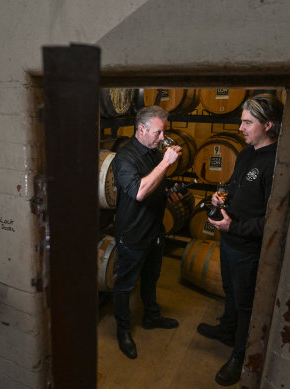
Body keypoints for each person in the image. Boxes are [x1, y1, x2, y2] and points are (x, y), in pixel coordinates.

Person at [198, 94, 284, 385]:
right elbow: (237, 188)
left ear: (268, 124)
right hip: (229, 241)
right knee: (230, 292)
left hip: (248, 248)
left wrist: (234, 227)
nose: (240, 128)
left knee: (246, 302)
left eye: (248, 122)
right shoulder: (248, 152)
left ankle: (239, 356)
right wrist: (222, 198)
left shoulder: (276, 163)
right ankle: (227, 329)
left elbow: (273, 220)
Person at [111, 105, 183, 359]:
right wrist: (166, 163)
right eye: (158, 133)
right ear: (141, 129)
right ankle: (123, 331)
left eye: (164, 133)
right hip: (133, 233)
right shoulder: (125, 158)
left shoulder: (153, 152)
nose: (162, 138)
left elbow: (155, 185)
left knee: (151, 277)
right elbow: (139, 192)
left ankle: (152, 317)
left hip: (155, 230)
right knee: (125, 284)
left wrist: (167, 192)